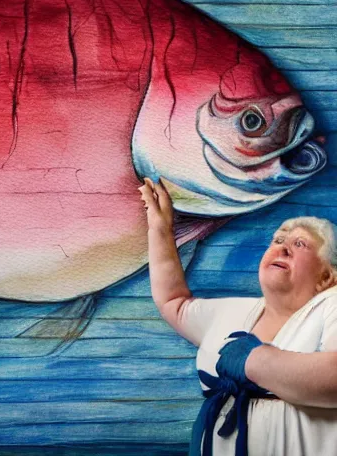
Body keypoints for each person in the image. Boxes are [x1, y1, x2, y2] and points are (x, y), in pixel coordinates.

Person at [138, 177, 337, 456]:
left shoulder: (332, 304)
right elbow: (174, 302)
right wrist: (160, 230)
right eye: (278, 239)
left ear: (326, 276)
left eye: (300, 243)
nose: (282, 247)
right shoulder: (234, 312)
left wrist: (251, 360)